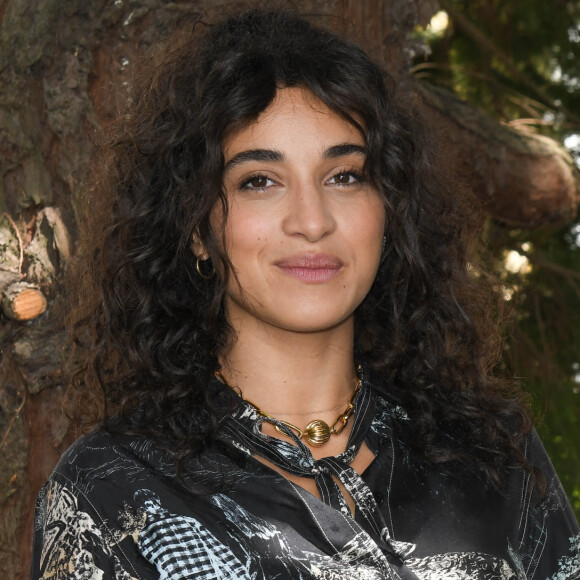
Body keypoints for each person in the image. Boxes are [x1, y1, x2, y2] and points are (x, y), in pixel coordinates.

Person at [31, 7, 579, 580]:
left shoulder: (492, 452)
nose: (312, 221)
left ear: (389, 209)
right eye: (259, 182)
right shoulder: (108, 491)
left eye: (345, 175)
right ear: (194, 227)